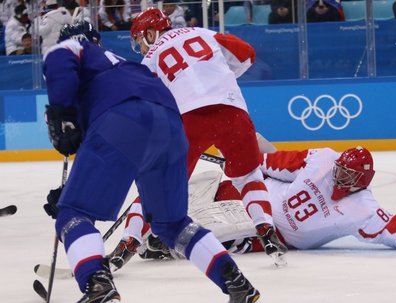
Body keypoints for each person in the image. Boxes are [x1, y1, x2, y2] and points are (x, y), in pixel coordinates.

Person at [42, 21, 260, 303]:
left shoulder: (71, 50)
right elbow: (105, 152)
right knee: (173, 224)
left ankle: (98, 284)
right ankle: (235, 281)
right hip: (170, 126)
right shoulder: (125, 65)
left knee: (73, 214)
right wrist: (74, 188)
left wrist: (60, 112)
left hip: (121, 120)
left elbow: (63, 61)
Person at [107, 145, 396, 266]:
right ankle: (146, 221)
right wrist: (243, 160)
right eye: (340, 171)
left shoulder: (362, 209)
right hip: (249, 195)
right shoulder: (323, 159)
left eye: (348, 177)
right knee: (198, 180)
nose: (338, 178)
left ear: (362, 182)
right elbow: (274, 164)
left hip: (264, 228)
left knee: (215, 222)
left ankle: (159, 243)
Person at [129, 8, 287, 266]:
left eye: (139, 40)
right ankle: (267, 232)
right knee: (248, 176)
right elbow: (247, 53)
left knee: (159, 185)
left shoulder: (152, 58)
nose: (141, 48)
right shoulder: (204, 33)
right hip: (232, 110)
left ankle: (130, 241)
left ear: (150, 32)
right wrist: (215, 74)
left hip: (188, 121)